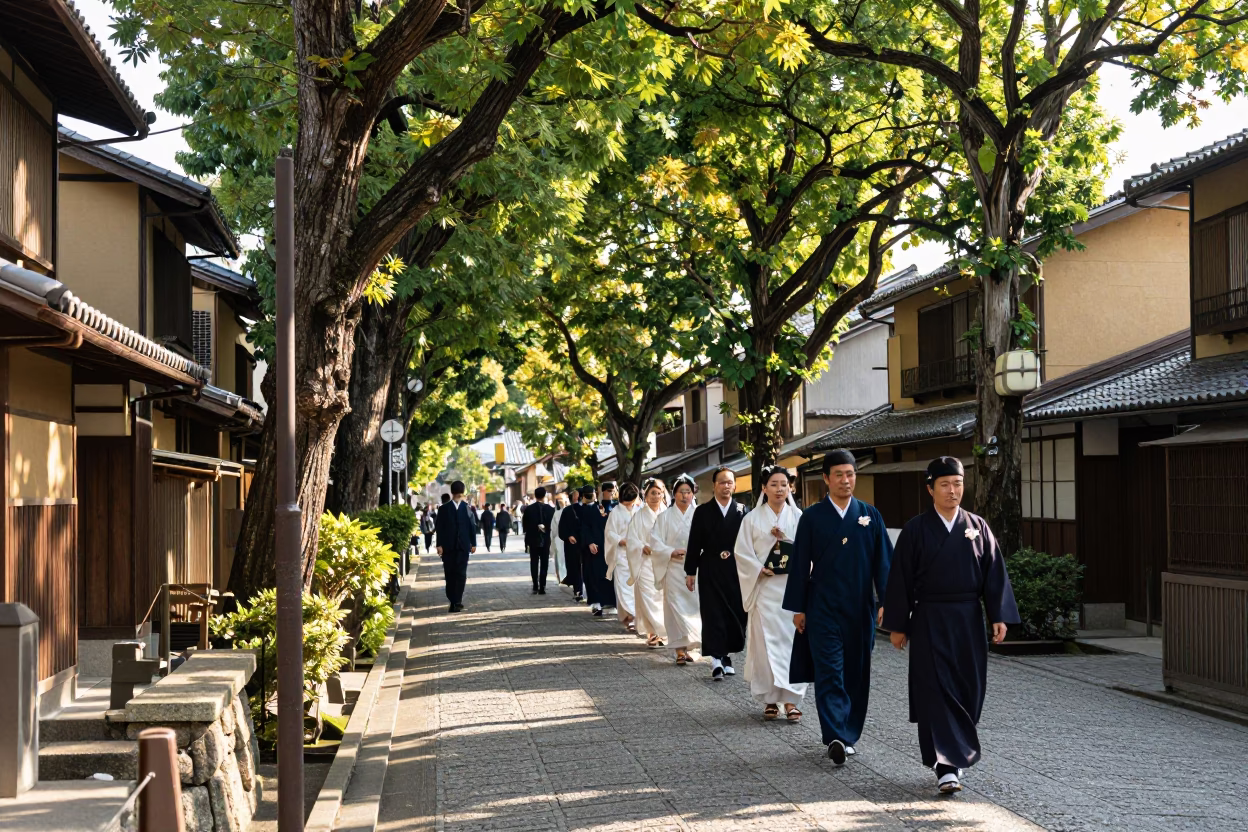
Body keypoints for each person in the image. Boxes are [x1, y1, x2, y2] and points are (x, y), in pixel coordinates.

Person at [882, 456, 1020, 795]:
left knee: (967, 688)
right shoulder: (916, 529)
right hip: (930, 617)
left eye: (957, 483)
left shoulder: (977, 526)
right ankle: (947, 767)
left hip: (968, 618)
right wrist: (898, 625)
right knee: (936, 690)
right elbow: (899, 579)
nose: (952, 490)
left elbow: (994, 573)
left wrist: (998, 615)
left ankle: (952, 754)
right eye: (944, 484)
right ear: (930, 489)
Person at [784, 449, 891, 766]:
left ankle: (848, 733)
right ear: (826, 479)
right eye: (840, 475)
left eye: (851, 474)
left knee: (855, 674)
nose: (846, 480)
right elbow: (800, 564)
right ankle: (834, 735)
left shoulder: (869, 515)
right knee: (829, 671)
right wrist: (799, 607)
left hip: (859, 608)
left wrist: (887, 601)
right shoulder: (812, 517)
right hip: (823, 607)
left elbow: (884, 564)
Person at [734, 465, 808, 721]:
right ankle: (770, 699)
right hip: (764, 589)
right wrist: (758, 568)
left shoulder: (799, 518)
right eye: (774, 484)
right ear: (764, 488)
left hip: (791, 589)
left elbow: (809, 551)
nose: (779, 489)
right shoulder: (751, 520)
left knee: (791, 643)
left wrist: (785, 538)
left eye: (783, 484)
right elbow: (741, 553)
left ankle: (790, 700)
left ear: (790, 488)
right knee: (766, 646)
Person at [684, 466, 748, 681]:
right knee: (712, 613)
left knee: (734, 612)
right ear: (714, 486)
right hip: (710, 566)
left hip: (735, 569)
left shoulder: (742, 510)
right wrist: (690, 571)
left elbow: (749, 542)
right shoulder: (702, 511)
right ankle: (716, 659)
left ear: (735, 485)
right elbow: (694, 542)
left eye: (730, 481)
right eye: (722, 481)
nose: (726, 485)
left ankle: (727, 656)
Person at [648, 474, 701, 665]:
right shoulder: (664, 517)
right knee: (674, 607)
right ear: (674, 494)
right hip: (672, 567)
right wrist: (670, 551)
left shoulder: (699, 515)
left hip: (694, 569)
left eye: (688, 492)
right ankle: (679, 650)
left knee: (694, 607)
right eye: (681, 492)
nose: (685, 496)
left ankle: (689, 647)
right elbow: (655, 541)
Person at [627, 478, 668, 647]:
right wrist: (641, 546)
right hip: (644, 561)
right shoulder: (639, 515)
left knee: (662, 597)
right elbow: (631, 538)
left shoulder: (667, 514)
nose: (655, 496)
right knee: (647, 597)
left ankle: (663, 631)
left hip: (663, 561)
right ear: (646, 494)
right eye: (652, 493)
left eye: (659, 493)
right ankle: (653, 632)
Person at [435, 480, 478, 613]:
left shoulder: (464, 508)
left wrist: (473, 543)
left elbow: (472, 526)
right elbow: (440, 528)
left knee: (458, 574)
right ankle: (454, 600)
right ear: (462, 491)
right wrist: (439, 545)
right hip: (452, 546)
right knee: (452, 574)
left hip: (459, 546)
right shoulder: (448, 508)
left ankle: (456, 601)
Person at [605, 482, 641, 632]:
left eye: (631, 502)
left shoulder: (640, 510)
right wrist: (620, 539)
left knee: (636, 588)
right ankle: (632, 616)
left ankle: (633, 616)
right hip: (621, 554)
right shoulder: (615, 512)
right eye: (627, 502)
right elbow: (609, 532)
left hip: (637, 554)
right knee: (624, 587)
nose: (629, 505)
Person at [578, 483, 618, 617]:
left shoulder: (617, 508)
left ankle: (612, 602)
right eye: (608, 491)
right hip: (596, 547)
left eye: (613, 491)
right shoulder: (592, 508)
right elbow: (585, 527)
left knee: (611, 575)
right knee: (594, 575)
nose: (610, 493)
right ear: (600, 492)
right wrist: (589, 542)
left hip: (613, 547)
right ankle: (596, 603)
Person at [522, 487, 556, 593]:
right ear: (545, 495)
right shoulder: (551, 509)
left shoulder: (529, 509)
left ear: (535, 495)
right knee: (544, 563)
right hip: (546, 540)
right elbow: (553, 526)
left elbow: (525, 526)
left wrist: (527, 541)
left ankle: (535, 585)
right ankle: (542, 586)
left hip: (533, 539)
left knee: (534, 562)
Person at [558, 488, 585, 602]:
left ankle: (582, 590)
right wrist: (568, 536)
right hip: (572, 544)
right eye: (576, 495)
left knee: (584, 568)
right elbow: (561, 528)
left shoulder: (587, 509)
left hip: (585, 543)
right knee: (574, 567)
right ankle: (578, 590)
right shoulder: (567, 511)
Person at [551, 493, 568, 584]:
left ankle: (561, 578)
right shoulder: (570, 511)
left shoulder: (556, 514)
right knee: (565, 559)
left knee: (560, 560)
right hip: (568, 539)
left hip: (559, 539)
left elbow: (553, 530)